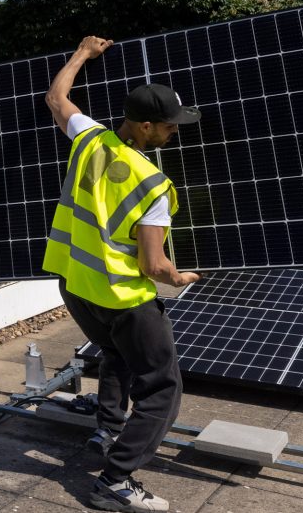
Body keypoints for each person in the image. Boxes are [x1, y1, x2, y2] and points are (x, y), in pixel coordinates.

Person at [43, 35, 202, 512]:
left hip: (74, 284)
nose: (174, 134)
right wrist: (179, 278)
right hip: (123, 298)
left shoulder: (90, 137)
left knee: (113, 353)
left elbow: (56, 98)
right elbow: (153, 265)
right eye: (169, 128)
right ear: (146, 126)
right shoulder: (153, 185)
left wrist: (82, 54)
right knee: (162, 387)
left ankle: (108, 430)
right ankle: (115, 480)